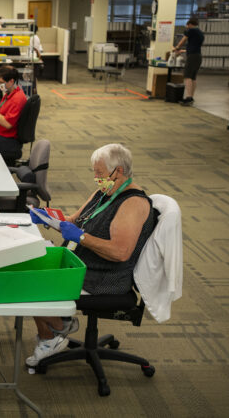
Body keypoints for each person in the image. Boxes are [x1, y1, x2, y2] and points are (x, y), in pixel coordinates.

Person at [25, 144, 156, 367]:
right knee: (27, 265)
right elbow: (74, 221)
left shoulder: (133, 203)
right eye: (94, 172)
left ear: (119, 172)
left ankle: (52, 335)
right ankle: (59, 324)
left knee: (31, 285)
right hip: (83, 264)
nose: (96, 178)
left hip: (104, 278)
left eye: (100, 173)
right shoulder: (104, 192)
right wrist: (48, 218)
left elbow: (120, 253)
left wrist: (81, 238)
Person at [172, 17, 204, 106]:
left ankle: (188, 97)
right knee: (193, 77)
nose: (187, 28)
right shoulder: (200, 33)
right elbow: (194, 46)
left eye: (187, 26)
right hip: (198, 56)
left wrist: (177, 47)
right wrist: (183, 51)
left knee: (187, 76)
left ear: (189, 24)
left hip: (192, 57)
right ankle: (191, 97)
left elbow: (183, 40)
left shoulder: (191, 30)